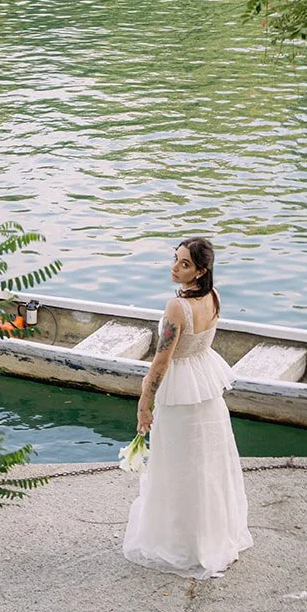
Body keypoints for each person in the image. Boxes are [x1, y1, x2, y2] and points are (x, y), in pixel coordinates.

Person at [122, 236, 252, 578]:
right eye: (175, 260)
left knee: (178, 468)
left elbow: (161, 362)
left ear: (200, 270)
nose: (175, 268)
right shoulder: (214, 296)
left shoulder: (176, 308)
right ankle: (209, 538)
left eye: (185, 264)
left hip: (181, 389)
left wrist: (144, 404)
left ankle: (182, 545)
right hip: (205, 388)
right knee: (207, 467)